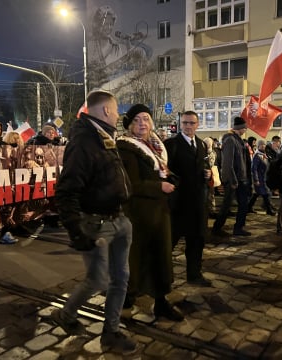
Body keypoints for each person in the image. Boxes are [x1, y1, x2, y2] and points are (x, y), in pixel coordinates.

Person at [53, 90, 137, 354]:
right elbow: (66, 191)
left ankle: (110, 332)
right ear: (105, 111)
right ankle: (66, 315)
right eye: (116, 111)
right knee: (98, 280)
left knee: (121, 278)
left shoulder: (103, 137)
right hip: (97, 224)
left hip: (119, 219)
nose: (118, 116)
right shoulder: (84, 142)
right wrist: (76, 231)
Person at [117, 104, 184, 321]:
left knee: (160, 259)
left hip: (159, 212)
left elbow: (160, 171)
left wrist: (169, 179)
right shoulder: (126, 148)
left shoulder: (155, 145)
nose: (142, 124)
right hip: (139, 214)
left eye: (145, 119)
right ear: (129, 125)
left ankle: (161, 302)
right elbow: (131, 184)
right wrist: (159, 187)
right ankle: (126, 299)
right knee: (136, 259)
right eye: (136, 120)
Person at [165, 110, 212, 287]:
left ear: (197, 124)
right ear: (180, 124)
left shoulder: (200, 144)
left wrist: (206, 173)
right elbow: (165, 170)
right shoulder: (171, 144)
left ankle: (194, 273)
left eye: (192, 123)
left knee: (197, 241)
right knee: (169, 242)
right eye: (185, 123)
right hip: (178, 204)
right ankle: (159, 278)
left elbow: (204, 165)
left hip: (198, 203)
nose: (188, 126)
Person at [211, 116, 252, 237]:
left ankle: (238, 227)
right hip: (234, 180)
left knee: (243, 204)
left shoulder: (238, 140)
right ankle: (217, 227)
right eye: (244, 128)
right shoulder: (230, 140)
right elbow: (228, 162)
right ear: (240, 128)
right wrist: (233, 180)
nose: (245, 130)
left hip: (241, 179)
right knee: (227, 205)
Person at [248, 140, 275, 215]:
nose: (263, 146)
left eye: (264, 145)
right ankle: (269, 210)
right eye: (261, 145)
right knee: (265, 194)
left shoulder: (264, 155)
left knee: (256, 194)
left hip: (264, 178)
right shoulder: (257, 156)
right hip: (260, 178)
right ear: (258, 146)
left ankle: (248, 207)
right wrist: (256, 179)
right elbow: (254, 168)